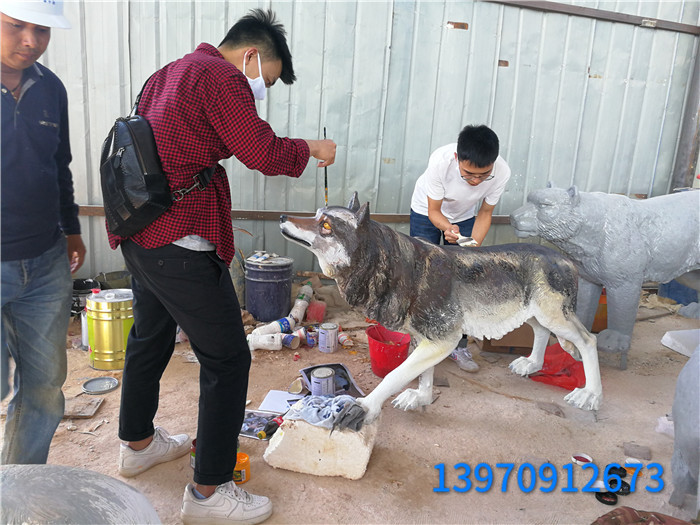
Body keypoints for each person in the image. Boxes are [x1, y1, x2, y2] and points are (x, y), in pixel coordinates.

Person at [105, 9, 336, 525]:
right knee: (228, 359)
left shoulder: (168, 73)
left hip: (141, 233)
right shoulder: (220, 76)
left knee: (150, 336)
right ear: (251, 55)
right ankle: (209, 491)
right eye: (267, 80)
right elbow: (262, 152)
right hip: (178, 242)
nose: (262, 90)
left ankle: (137, 444)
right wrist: (311, 149)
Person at [1, 0, 86, 464]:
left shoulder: (49, 87)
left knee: (44, 387)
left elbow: (59, 164)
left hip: (46, 261)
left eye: (42, 30)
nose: (31, 41)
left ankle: (20, 485)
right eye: (16, 26)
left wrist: (71, 229)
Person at [409, 124, 511, 373]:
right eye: (468, 174)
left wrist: (472, 248)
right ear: (457, 158)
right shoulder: (440, 162)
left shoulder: (502, 172)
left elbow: (485, 213)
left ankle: (458, 346)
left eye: (483, 175)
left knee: (463, 278)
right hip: (426, 211)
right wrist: (447, 228)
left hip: (464, 215)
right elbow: (434, 211)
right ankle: (420, 341)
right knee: (423, 274)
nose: (475, 181)